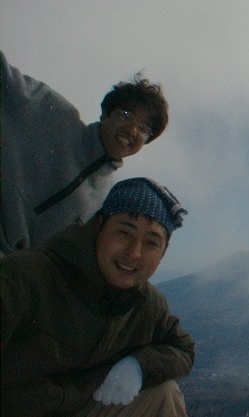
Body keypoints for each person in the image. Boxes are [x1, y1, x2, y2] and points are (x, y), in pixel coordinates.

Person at [1, 177, 194, 416]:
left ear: (163, 253)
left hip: (80, 408)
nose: (134, 253)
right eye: (124, 232)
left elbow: (183, 349)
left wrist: (140, 366)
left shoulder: (147, 305)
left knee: (164, 394)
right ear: (98, 227)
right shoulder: (27, 276)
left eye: (151, 243)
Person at [0, 51, 169, 255]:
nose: (132, 130)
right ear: (106, 113)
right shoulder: (55, 113)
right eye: (126, 115)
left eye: (143, 128)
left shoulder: (104, 198)